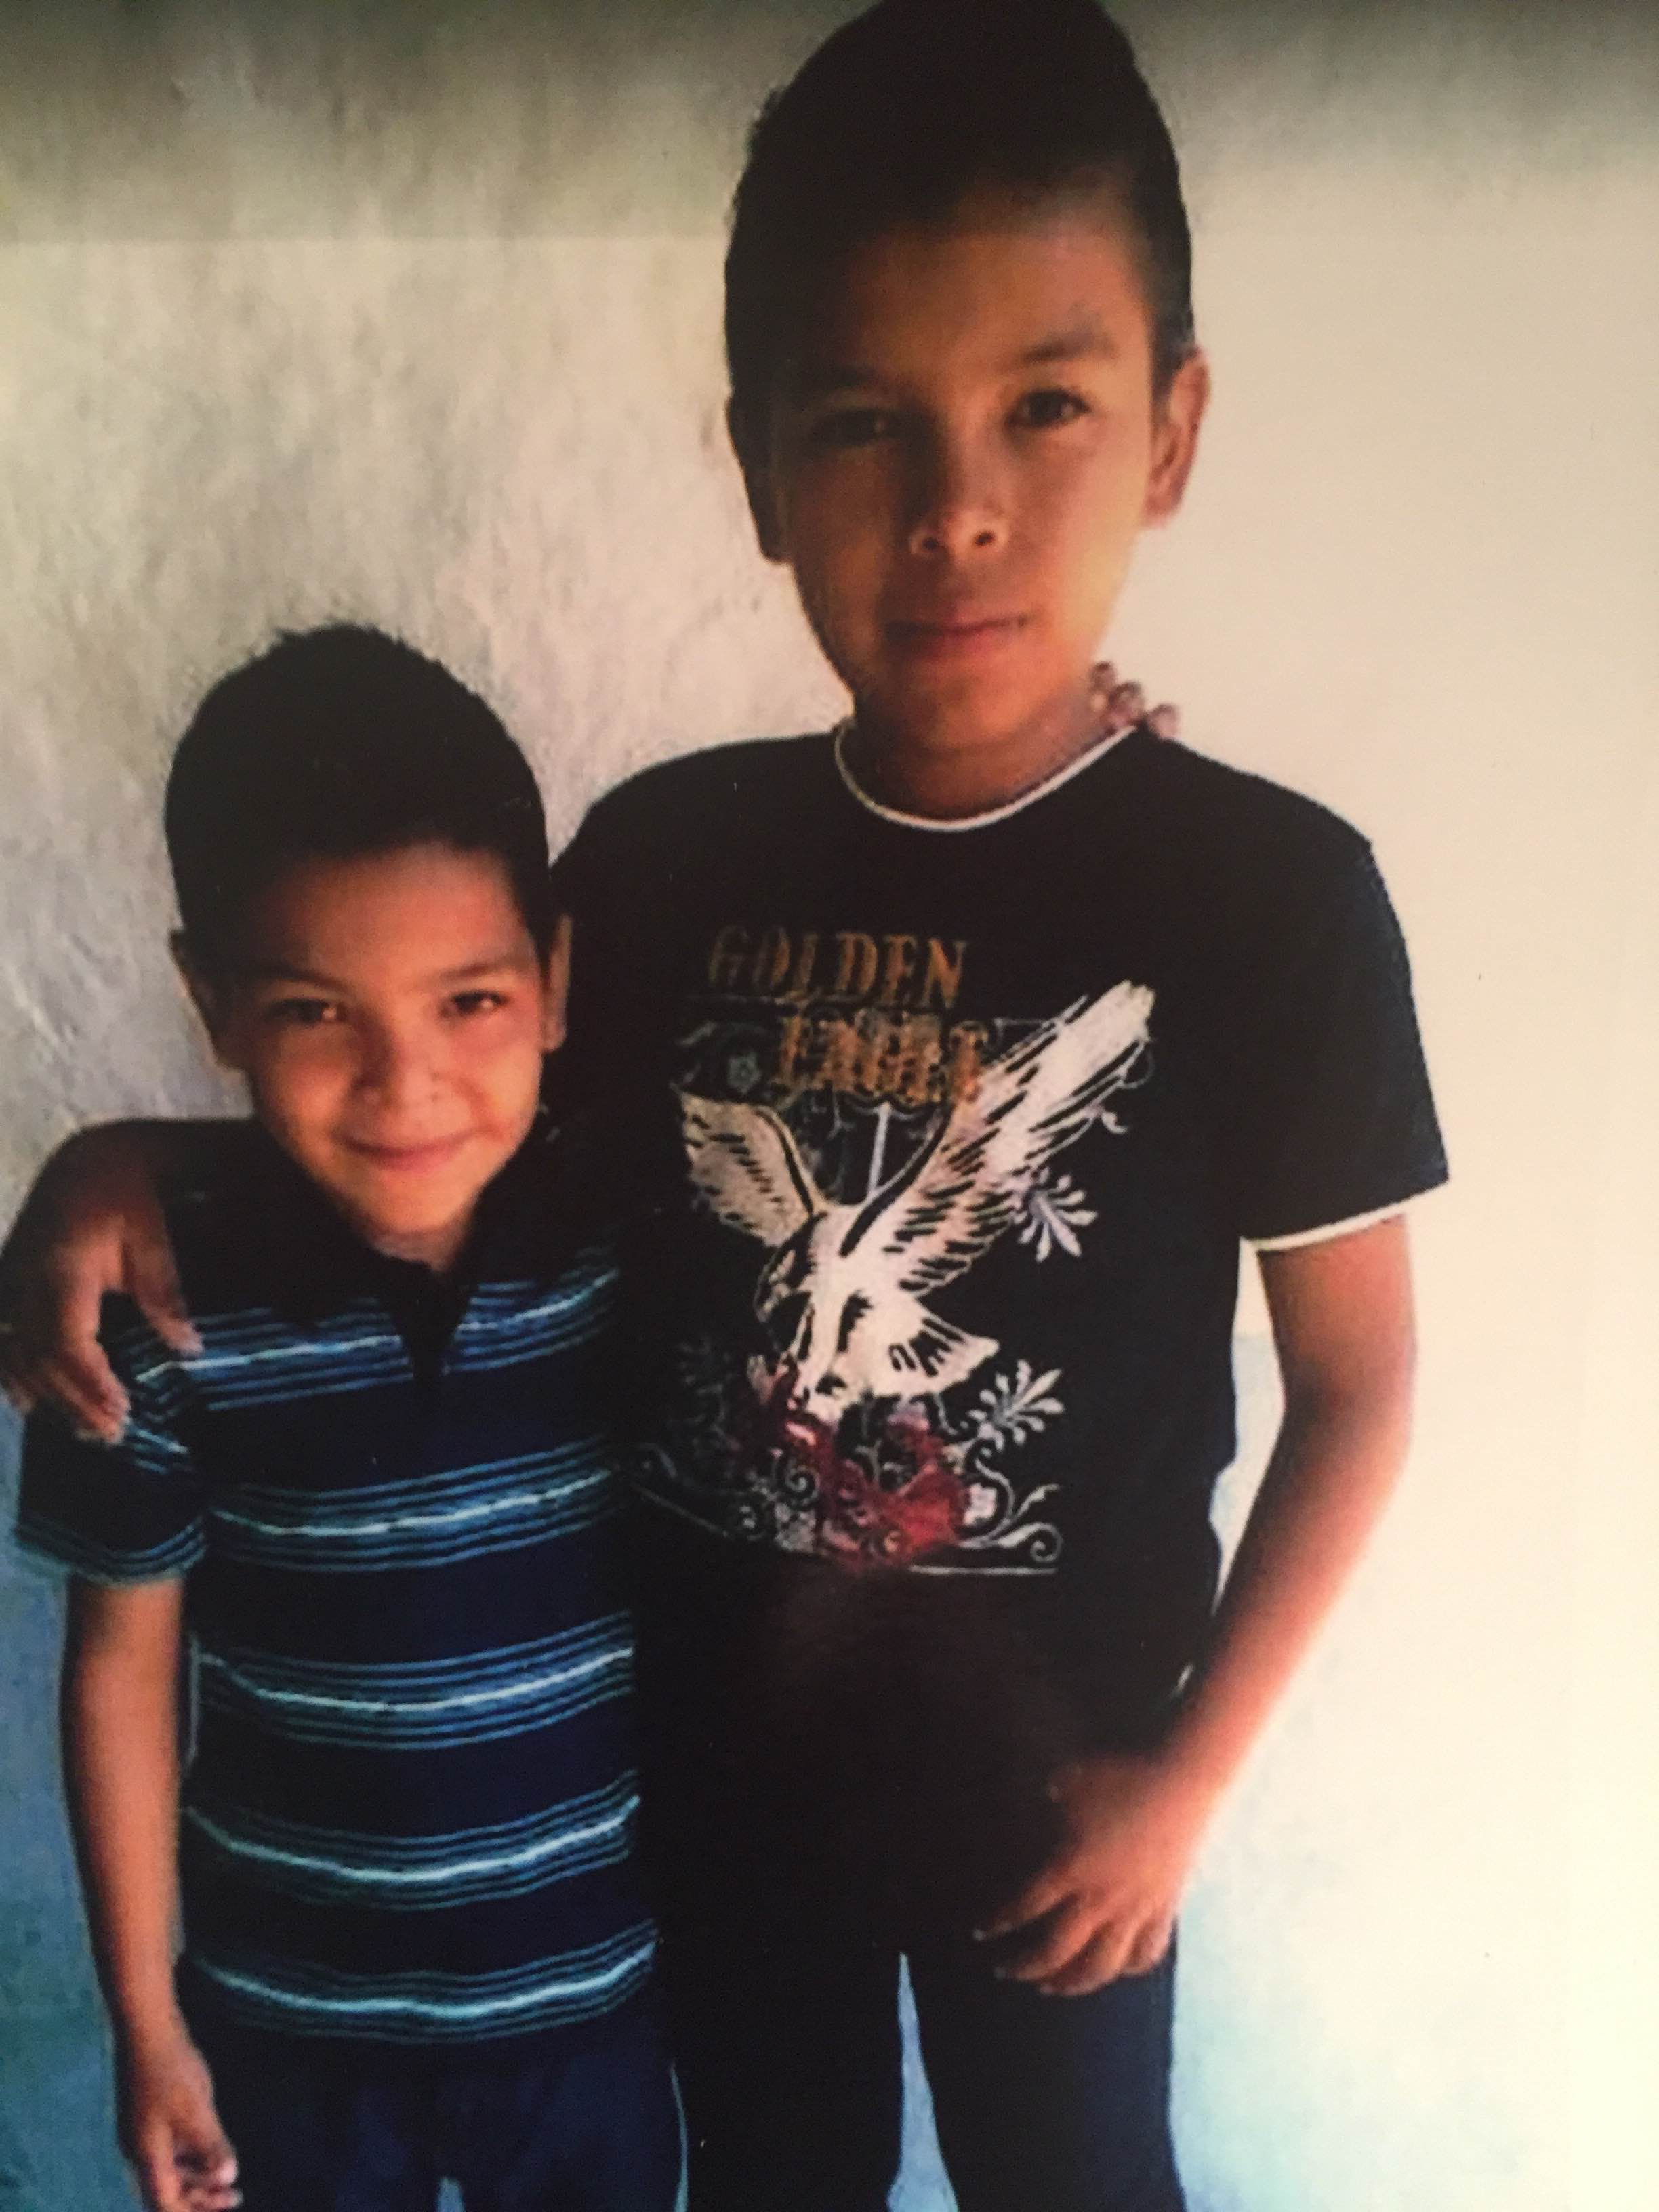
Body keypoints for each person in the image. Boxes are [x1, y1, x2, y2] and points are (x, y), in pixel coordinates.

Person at [3, 4, 1447, 2207]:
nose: (956, 509)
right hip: (696, 1803)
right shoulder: (665, 861)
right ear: (760, 467)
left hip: (1056, 1798)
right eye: (861, 422)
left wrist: (1182, 1784)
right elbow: (432, 1116)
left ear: (1168, 431)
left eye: (1043, 406)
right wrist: (119, 1163)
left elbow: (1359, 1384)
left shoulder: (1265, 895)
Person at [10, 628, 680, 2212]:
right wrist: (148, 2025)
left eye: (469, 1000)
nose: (406, 1083)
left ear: (555, 983)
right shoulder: (150, 1308)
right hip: (285, 2026)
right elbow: (120, 1673)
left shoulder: (630, 1243)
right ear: (213, 1005)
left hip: (592, 2003)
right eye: (318, 1013)